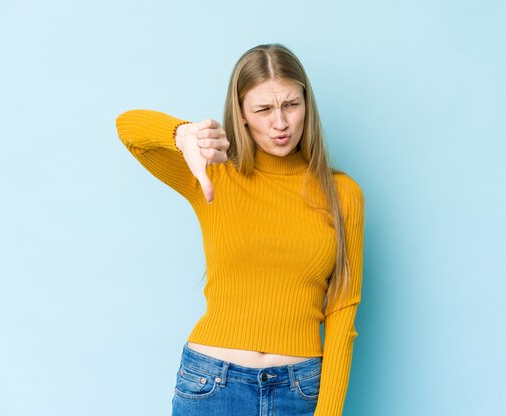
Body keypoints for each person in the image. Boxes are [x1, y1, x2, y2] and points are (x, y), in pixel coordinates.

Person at [115, 43, 364, 416]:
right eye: (263, 109)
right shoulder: (214, 173)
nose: (279, 123)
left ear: (307, 105)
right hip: (211, 385)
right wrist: (183, 136)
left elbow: (343, 311)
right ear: (242, 113)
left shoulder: (342, 193)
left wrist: (328, 412)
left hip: (301, 390)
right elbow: (128, 128)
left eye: (291, 105)